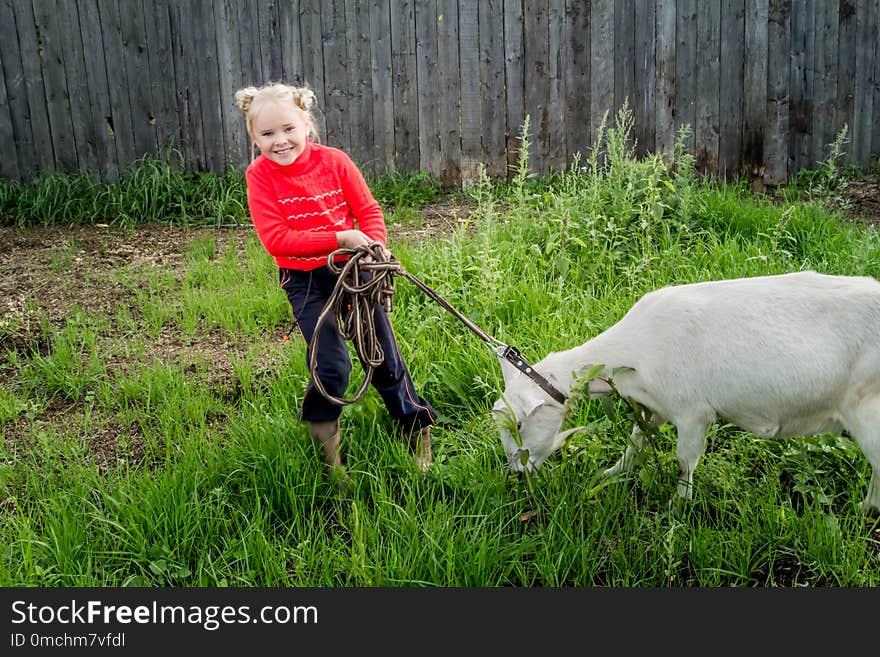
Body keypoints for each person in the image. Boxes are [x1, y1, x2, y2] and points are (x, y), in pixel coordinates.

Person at [234, 82, 436, 485]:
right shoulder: (260, 177)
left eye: (288, 129)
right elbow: (277, 240)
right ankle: (329, 453)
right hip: (304, 278)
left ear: (306, 123)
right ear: (253, 137)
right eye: (267, 134)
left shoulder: (336, 162)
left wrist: (373, 247)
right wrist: (340, 238)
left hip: (354, 271)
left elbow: (368, 209)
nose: (280, 141)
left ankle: (417, 430)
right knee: (330, 364)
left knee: (382, 355)